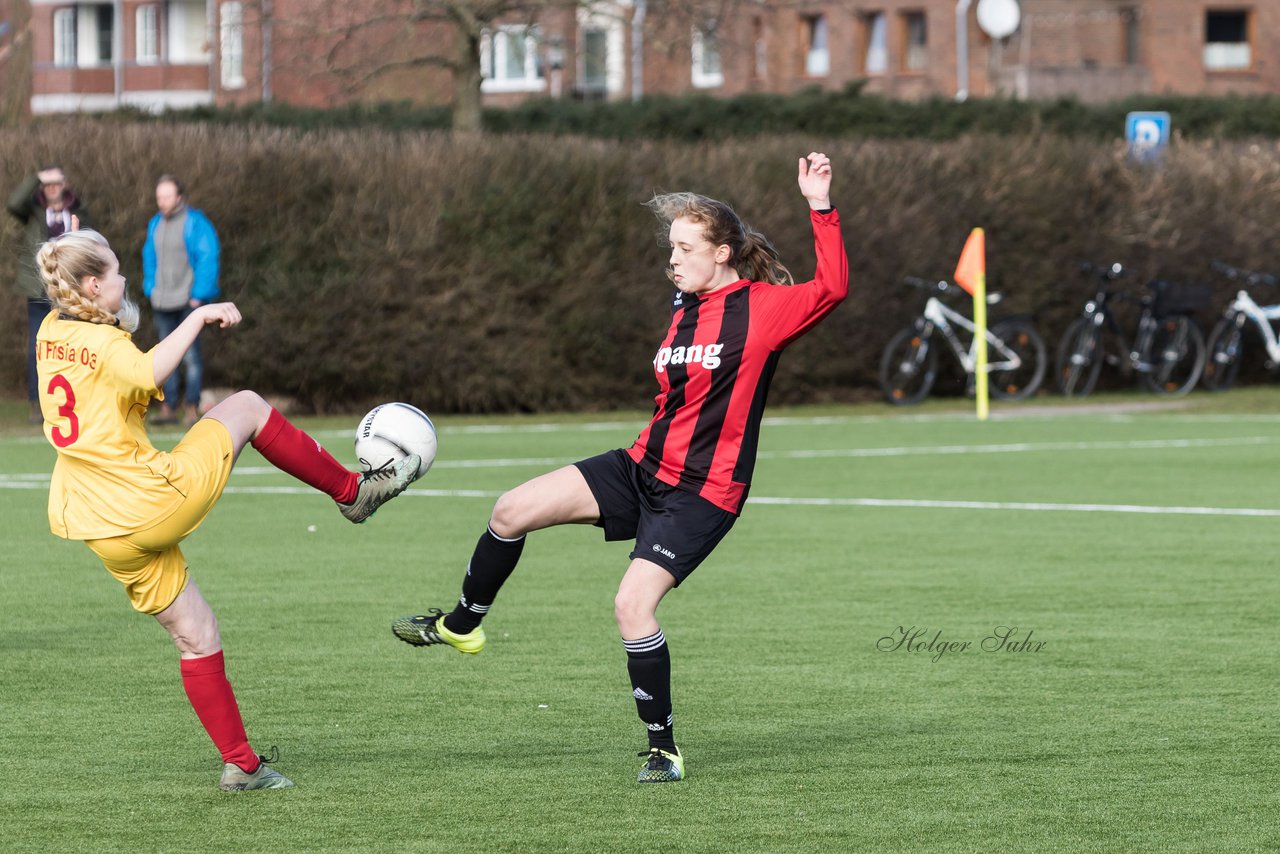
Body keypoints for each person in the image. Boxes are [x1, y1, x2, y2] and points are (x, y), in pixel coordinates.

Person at [392, 153, 848, 783]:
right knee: (510, 510)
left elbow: (833, 287)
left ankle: (663, 747)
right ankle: (464, 624)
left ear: (722, 253)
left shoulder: (764, 309)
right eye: (671, 246)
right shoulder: (683, 306)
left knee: (632, 607)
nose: (674, 258)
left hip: (702, 494)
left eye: (686, 247)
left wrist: (820, 207)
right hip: (641, 467)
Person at [34, 229, 420, 792]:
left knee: (196, 633)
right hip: (149, 501)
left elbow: (106, 369)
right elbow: (144, 371)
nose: (124, 281)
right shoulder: (107, 346)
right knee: (247, 406)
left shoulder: (50, 332)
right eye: (116, 274)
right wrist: (199, 315)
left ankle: (241, 765)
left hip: (99, 524)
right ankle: (351, 493)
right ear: (93, 286)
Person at [7, 165, 91, 424]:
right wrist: (37, 178)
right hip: (39, 291)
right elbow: (13, 203)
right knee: (38, 347)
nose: (53, 188)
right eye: (48, 184)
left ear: (65, 185)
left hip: (69, 291)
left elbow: (89, 244)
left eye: (57, 183)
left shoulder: (78, 211)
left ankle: (71, 401)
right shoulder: (33, 212)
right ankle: (37, 404)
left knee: (72, 347)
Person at [142, 175, 221, 426]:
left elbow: (208, 257)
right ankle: (169, 408)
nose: (162, 201)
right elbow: (149, 259)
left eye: (166, 196)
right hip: (162, 301)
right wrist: (150, 289)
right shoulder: (155, 224)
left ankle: (191, 408)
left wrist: (199, 295)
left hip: (189, 301)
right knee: (166, 356)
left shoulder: (196, 223)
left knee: (191, 357)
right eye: (159, 197)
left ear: (179, 197)